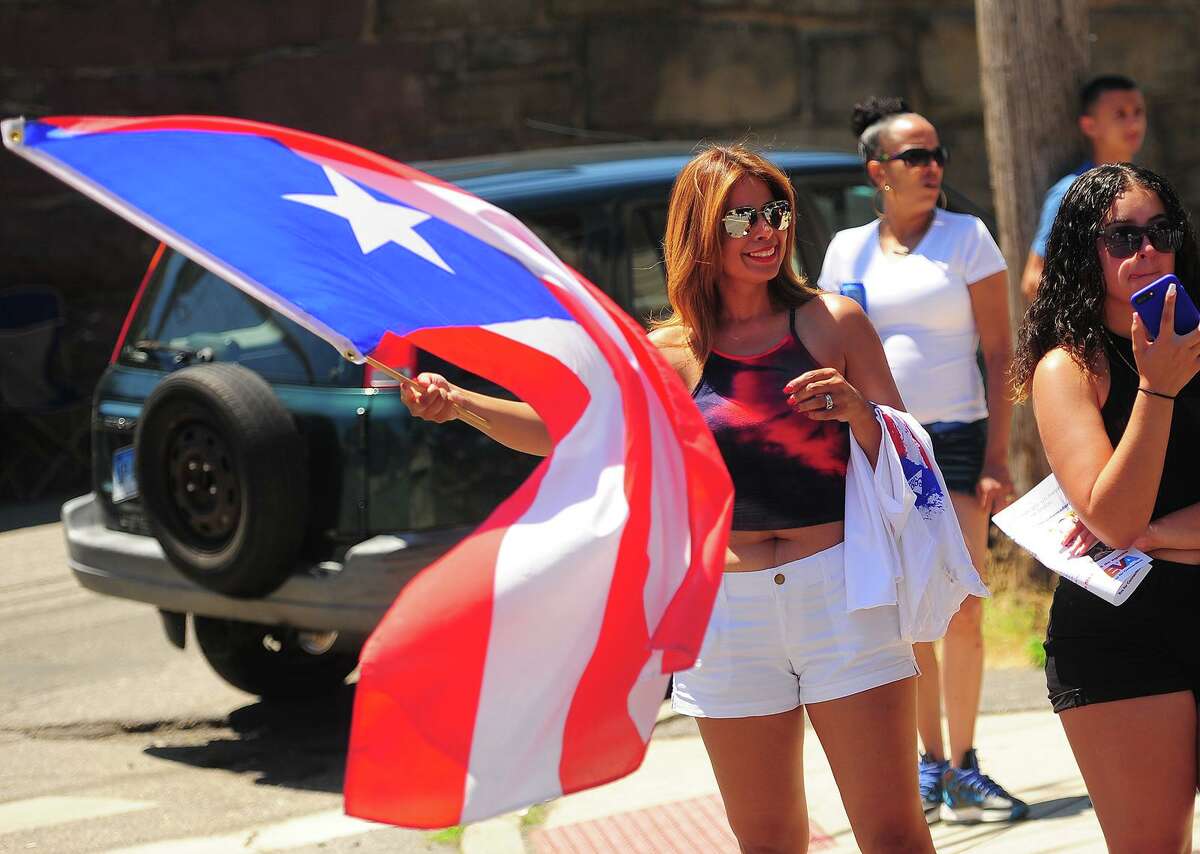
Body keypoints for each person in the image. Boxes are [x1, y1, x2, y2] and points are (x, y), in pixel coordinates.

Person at [402, 144, 939, 852]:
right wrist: (462, 403)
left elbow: (911, 461)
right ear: (700, 232)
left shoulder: (832, 323)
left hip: (844, 595)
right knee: (769, 839)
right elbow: (570, 432)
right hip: (729, 616)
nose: (764, 229)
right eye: (740, 216)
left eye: (773, 210)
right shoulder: (667, 354)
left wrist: (856, 413)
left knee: (894, 833)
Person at [817, 96, 1027, 824]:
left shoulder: (968, 237)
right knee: (910, 615)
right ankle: (930, 764)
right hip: (884, 443)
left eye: (938, 154)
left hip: (961, 438)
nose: (933, 167)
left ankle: (967, 764)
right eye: (916, 157)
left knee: (963, 607)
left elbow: (1001, 354)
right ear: (878, 171)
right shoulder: (845, 250)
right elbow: (833, 343)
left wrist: (998, 453)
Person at [1012, 163, 1200, 852]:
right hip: (1120, 637)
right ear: (1084, 252)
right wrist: (1157, 388)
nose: (1145, 251)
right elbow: (1110, 519)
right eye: (1122, 237)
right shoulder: (1069, 368)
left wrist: (1149, 534)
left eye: (1161, 232)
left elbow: (1123, 528)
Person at [1019, 75, 1146, 302]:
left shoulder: (1147, 188)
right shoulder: (1070, 192)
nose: (1133, 123)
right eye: (1120, 115)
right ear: (1090, 125)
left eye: (1138, 112)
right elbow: (1033, 279)